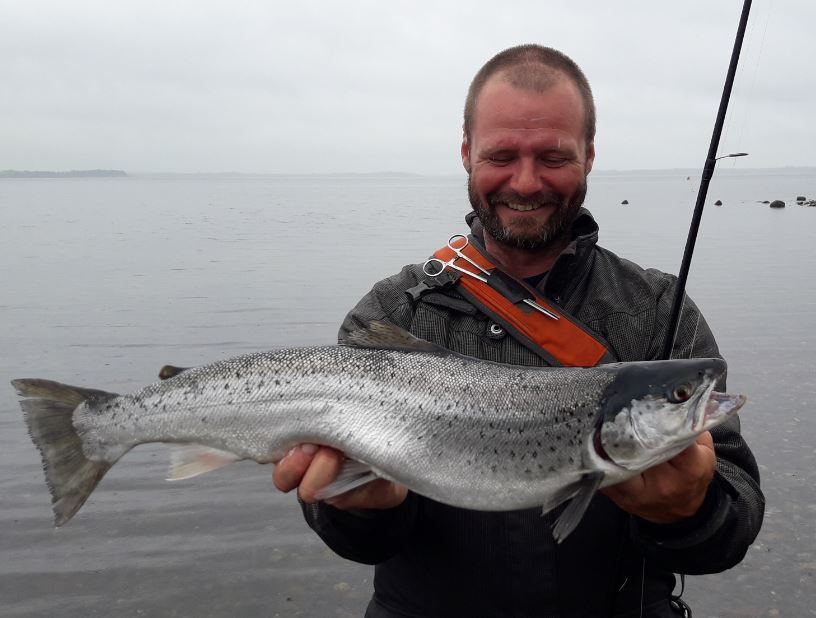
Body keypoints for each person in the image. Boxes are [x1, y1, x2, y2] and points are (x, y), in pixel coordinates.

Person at [273, 44, 764, 617]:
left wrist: (692, 510)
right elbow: (359, 544)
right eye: (502, 154)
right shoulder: (391, 314)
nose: (526, 182)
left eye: (553, 157)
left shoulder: (659, 308)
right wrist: (358, 507)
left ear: (589, 155)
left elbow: (734, 528)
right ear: (466, 153)